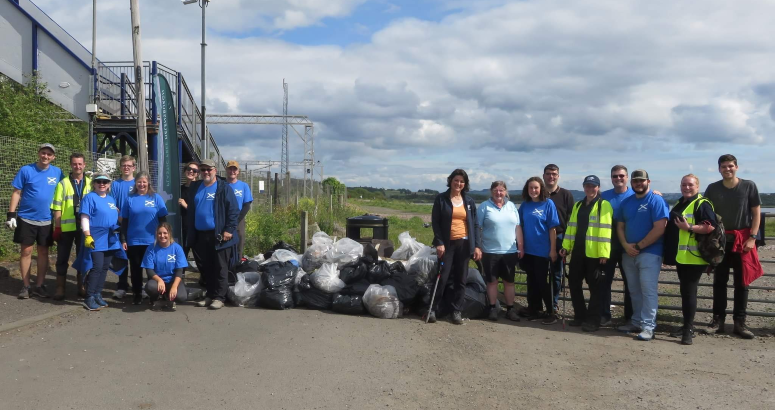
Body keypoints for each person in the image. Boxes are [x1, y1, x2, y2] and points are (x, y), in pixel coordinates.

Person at [704, 154, 761, 339]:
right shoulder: (712, 188)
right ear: (719, 169)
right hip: (720, 242)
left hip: (743, 240)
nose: (727, 169)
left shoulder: (749, 186)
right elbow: (703, 210)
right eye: (723, 166)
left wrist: (753, 237)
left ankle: (739, 322)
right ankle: (718, 321)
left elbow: (756, 213)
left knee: (742, 283)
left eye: (730, 166)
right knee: (719, 282)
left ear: (736, 167)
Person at [663, 174, 717, 345]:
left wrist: (689, 227)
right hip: (683, 257)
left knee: (689, 292)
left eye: (690, 185)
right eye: (684, 184)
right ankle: (687, 325)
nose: (686, 187)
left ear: (697, 187)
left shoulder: (702, 204)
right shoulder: (681, 203)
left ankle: (688, 330)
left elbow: (710, 226)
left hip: (694, 257)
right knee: (686, 292)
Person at [616, 169, 669, 341]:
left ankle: (648, 326)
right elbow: (620, 226)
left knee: (648, 290)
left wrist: (638, 246)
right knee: (634, 290)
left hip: (650, 253)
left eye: (641, 180)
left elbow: (660, 227)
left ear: (648, 181)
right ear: (631, 183)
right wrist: (625, 245)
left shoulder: (656, 200)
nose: (638, 183)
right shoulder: (627, 202)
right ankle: (636, 321)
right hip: (628, 253)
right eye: (635, 181)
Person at [6, 143, 63, 299]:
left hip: (46, 220)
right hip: (26, 218)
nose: (46, 156)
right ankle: (25, 286)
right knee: (26, 251)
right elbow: (17, 192)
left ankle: (39, 285)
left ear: (53, 157)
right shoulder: (26, 170)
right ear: (39, 154)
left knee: (43, 252)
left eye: (49, 154)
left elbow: (66, 189)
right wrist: (11, 214)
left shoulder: (58, 172)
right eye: (43, 153)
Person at [559, 175, 613, 332]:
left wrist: (604, 254)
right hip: (578, 252)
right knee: (574, 284)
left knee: (596, 288)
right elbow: (571, 229)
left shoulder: (604, 205)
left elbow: (605, 231)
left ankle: (593, 319)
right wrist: (566, 247)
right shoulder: (578, 205)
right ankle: (580, 315)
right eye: (587, 185)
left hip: (595, 254)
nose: (590, 188)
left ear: (598, 187)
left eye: (593, 186)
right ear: (584, 187)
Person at [428, 169, 482, 325]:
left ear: (465, 184)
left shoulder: (469, 201)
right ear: (450, 181)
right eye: (456, 180)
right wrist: (439, 242)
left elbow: (476, 224)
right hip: (447, 244)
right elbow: (436, 222)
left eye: (462, 181)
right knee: (442, 277)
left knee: (461, 279)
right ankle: (433, 309)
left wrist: (477, 246)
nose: (459, 184)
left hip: (464, 244)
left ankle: (456, 311)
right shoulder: (441, 199)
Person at [185, 159, 240, 310]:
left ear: (215, 170)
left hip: (219, 235)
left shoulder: (223, 187)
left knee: (220, 267)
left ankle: (219, 297)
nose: (206, 172)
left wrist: (229, 229)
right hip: (200, 235)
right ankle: (209, 295)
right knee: (206, 267)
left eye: (209, 169)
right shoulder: (196, 187)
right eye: (203, 170)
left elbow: (234, 210)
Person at [119, 171, 169, 305]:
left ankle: (154, 294)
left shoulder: (156, 198)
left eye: (144, 182)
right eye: (139, 182)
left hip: (152, 241)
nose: (142, 184)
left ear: (148, 183)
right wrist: (123, 239)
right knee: (135, 269)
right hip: (134, 241)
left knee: (152, 269)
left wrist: (164, 237)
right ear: (136, 183)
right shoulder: (129, 199)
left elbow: (163, 220)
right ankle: (137, 294)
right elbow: (124, 222)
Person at [477, 181, 522, 322]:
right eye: (496, 190)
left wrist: (521, 246)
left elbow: (518, 227)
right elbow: (477, 228)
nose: (498, 193)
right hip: (490, 251)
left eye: (501, 190)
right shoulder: (484, 207)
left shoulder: (512, 206)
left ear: (506, 192)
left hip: (510, 251)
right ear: (491, 191)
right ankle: (492, 308)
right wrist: (477, 247)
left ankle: (510, 309)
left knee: (509, 281)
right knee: (492, 282)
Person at [518, 177, 560, 324]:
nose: (533, 190)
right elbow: (520, 227)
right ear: (527, 190)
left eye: (536, 188)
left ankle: (550, 312)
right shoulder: (525, 205)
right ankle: (534, 309)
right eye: (531, 188)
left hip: (543, 251)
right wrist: (520, 247)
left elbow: (552, 229)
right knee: (531, 281)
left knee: (543, 282)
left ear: (541, 189)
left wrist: (553, 250)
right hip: (528, 250)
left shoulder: (548, 204)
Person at [51, 152, 91, 300]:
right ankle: (60, 288)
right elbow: (57, 206)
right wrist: (57, 227)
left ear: (84, 165)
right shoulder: (63, 183)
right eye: (75, 163)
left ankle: (81, 286)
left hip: (84, 228)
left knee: (83, 257)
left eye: (80, 164)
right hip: (66, 228)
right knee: (62, 258)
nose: (77, 166)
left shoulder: (90, 182)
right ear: (71, 165)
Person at [79, 173, 121, 311]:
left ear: (109, 184)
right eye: (99, 182)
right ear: (94, 184)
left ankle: (97, 293)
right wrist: (87, 235)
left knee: (104, 267)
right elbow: (85, 216)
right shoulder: (90, 197)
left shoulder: (111, 199)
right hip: (96, 236)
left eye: (105, 182)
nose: (102, 184)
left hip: (110, 238)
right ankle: (89, 296)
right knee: (96, 266)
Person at [600, 165, 635, 326]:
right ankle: (604, 315)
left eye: (621, 176)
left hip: (629, 246)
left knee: (630, 282)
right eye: (615, 176)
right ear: (611, 178)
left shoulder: (636, 194)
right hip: (608, 246)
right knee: (604, 281)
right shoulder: (604, 197)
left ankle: (630, 316)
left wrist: (658, 193)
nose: (618, 179)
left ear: (627, 177)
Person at [543, 164, 575, 317]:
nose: (551, 176)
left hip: (560, 237)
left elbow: (571, 220)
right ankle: (539, 303)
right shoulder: (538, 194)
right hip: (540, 239)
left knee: (556, 274)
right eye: (548, 174)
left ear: (558, 176)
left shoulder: (566, 195)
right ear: (544, 175)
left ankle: (554, 304)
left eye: (554, 174)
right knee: (540, 273)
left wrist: (567, 243)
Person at [142, 223, 188, 311]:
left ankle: (168, 296)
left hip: (172, 280)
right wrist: (159, 280)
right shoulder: (151, 248)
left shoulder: (177, 248)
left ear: (169, 233)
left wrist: (174, 286)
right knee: (150, 287)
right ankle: (156, 298)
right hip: (157, 281)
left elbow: (179, 270)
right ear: (156, 234)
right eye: (159, 233)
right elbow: (149, 270)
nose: (162, 236)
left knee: (181, 297)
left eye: (165, 233)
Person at [225, 160, 253, 261]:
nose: (232, 171)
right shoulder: (221, 184)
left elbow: (247, 205)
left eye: (234, 169)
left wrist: (236, 220)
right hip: (224, 219)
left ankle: (237, 265)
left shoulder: (243, 186)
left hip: (238, 219)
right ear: (226, 170)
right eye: (230, 169)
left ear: (238, 172)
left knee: (239, 243)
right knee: (224, 244)